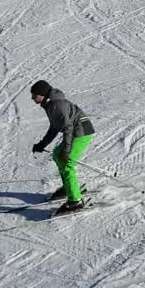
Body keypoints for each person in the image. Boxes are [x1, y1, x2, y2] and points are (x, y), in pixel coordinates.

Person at [29, 80, 95, 215]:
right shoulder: (49, 105)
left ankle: (75, 201)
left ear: (42, 94)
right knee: (56, 155)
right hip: (75, 131)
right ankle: (68, 188)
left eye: (34, 95)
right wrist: (43, 144)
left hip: (81, 131)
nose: (32, 98)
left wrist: (66, 150)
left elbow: (68, 128)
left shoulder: (56, 105)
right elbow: (54, 127)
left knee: (66, 162)